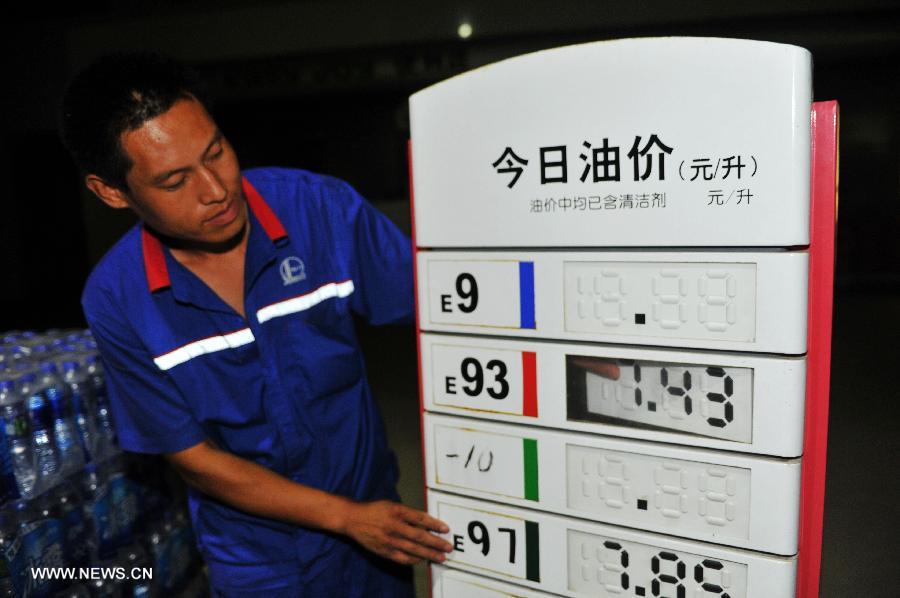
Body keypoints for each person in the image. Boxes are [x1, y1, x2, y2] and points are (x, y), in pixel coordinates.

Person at [58, 51, 452, 596]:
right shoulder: (116, 299)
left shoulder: (319, 209)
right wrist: (344, 519)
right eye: (175, 182)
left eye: (216, 152)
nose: (215, 190)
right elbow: (195, 461)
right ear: (112, 192)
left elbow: (450, 312)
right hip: (257, 560)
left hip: (374, 527)